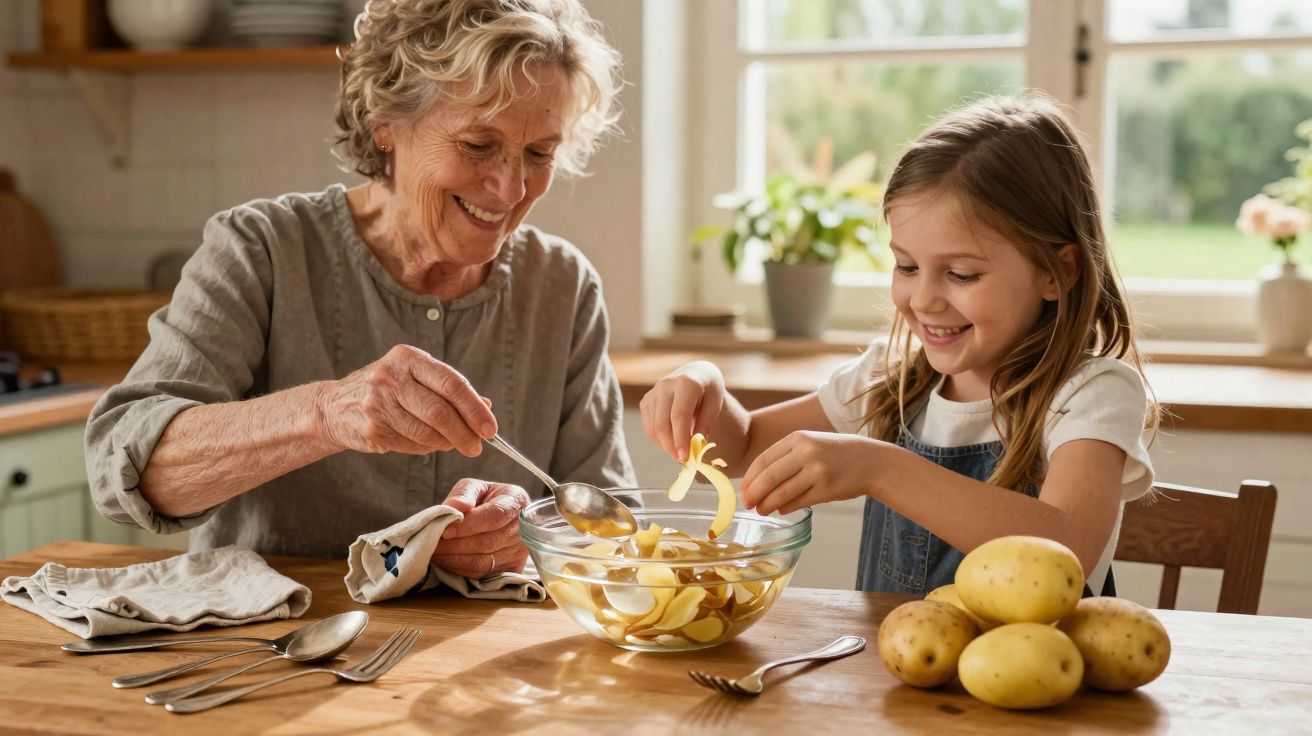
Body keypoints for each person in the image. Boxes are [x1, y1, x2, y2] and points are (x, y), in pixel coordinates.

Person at [85, 0, 635, 579]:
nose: (509, 186)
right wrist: (325, 411)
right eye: (477, 145)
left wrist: (529, 531)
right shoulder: (262, 250)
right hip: (273, 644)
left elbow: (609, 522)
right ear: (387, 124)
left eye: (539, 153)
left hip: (479, 660)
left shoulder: (562, 287)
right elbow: (131, 471)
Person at [640, 95, 1157, 596]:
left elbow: (1065, 550)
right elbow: (745, 449)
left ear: (1056, 271)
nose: (924, 299)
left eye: (960, 273)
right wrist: (704, 386)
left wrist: (878, 467)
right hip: (888, 679)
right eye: (906, 267)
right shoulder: (890, 380)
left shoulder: (1091, 394)